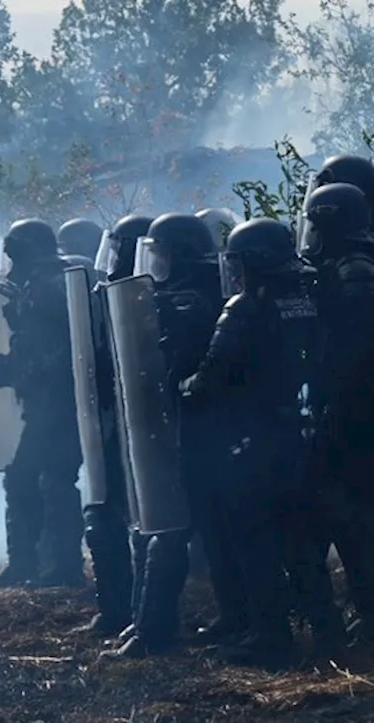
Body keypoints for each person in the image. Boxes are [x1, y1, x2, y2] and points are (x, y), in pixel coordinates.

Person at [180, 217, 344, 666]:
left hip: (253, 442)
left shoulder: (244, 308)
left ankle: (272, 637)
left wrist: (184, 388)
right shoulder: (308, 300)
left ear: (251, 263)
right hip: (303, 438)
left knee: (255, 543)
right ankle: (329, 633)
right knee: (304, 544)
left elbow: (212, 378)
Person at [104, 213, 225, 659]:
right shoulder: (193, 293)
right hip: (192, 428)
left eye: (161, 255)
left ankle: (154, 631)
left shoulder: (191, 300)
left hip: (197, 428)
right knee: (186, 530)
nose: (154, 265)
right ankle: (157, 624)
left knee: (170, 531)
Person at [0, 219, 84, 589]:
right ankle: (31, 565)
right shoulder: (43, 285)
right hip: (48, 404)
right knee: (27, 478)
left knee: (52, 480)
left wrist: (34, 371)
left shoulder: (50, 288)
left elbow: (68, 347)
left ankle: (62, 568)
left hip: (59, 405)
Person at [302, 181, 374, 641]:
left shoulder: (354, 274)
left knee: (355, 517)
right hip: (350, 411)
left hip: (356, 416)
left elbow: (352, 353)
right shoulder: (348, 267)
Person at [74, 214, 152, 637]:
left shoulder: (153, 297)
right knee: (102, 518)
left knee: (148, 525)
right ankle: (118, 613)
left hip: (149, 432)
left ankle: (142, 618)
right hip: (115, 426)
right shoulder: (109, 296)